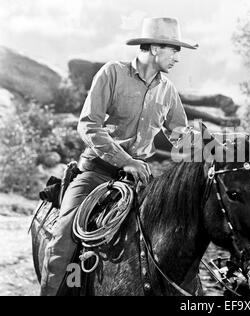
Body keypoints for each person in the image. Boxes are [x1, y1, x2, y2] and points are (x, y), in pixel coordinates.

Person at [40, 17, 198, 296]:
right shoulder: (112, 73)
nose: (177, 56)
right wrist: (125, 159)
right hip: (96, 173)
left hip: (139, 181)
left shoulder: (168, 90)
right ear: (154, 48)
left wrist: (213, 145)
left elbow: (179, 134)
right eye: (174, 49)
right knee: (63, 239)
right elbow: (88, 125)